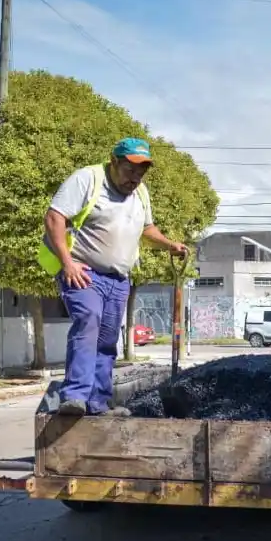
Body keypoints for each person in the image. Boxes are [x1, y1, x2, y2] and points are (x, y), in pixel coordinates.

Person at [40, 138, 188, 417]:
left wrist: (170, 244)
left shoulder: (140, 193)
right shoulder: (88, 179)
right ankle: (74, 396)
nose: (136, 177)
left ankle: (97, 403)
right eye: (130, 169)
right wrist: (67, 262)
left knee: (108, 340)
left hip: (119, 279)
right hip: (84, 271)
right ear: (114, 162)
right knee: (88, 322)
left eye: (141, 171)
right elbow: (54, 218)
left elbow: (147, 229)